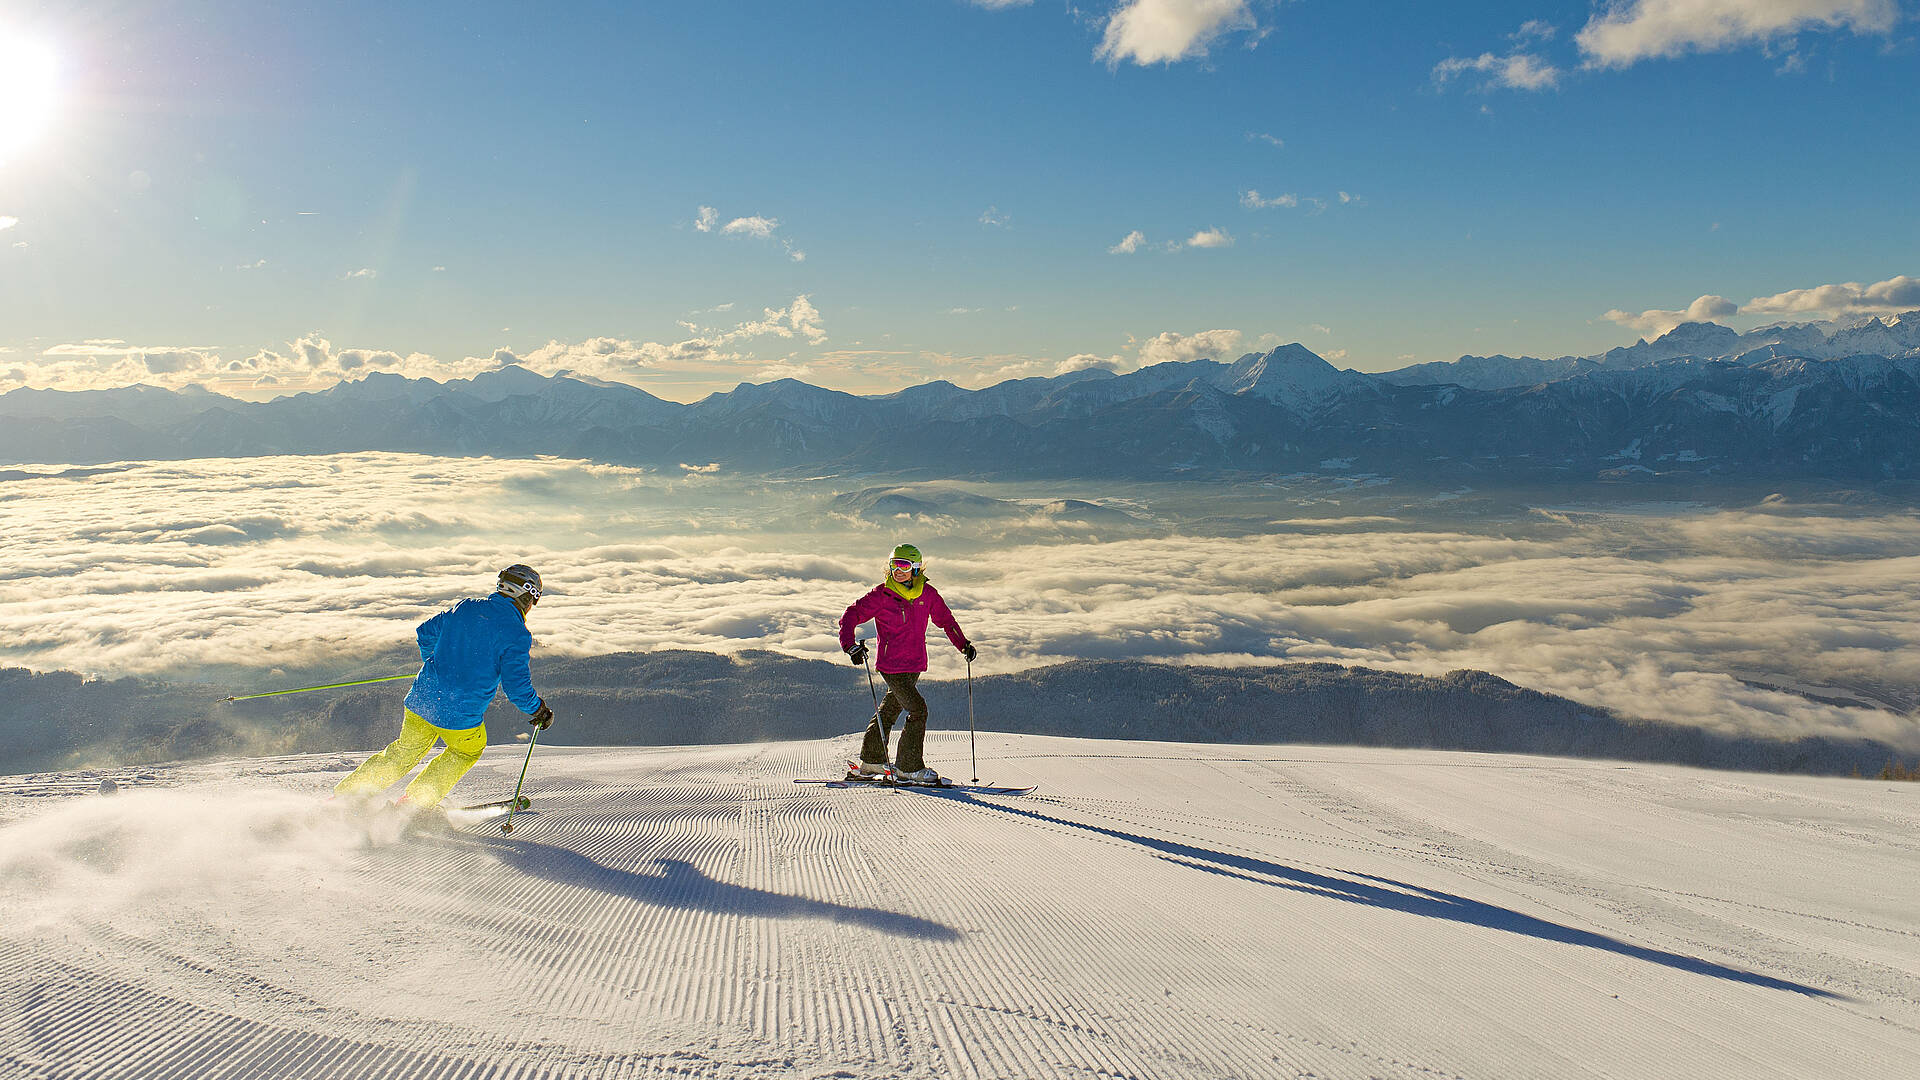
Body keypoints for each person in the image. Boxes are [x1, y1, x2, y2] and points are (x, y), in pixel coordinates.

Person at [334, 564, 554, 808]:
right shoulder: (517, 634)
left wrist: (435, 664)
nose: (531, 607)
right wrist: (538, 710)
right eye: (533, 600)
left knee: (404, 752)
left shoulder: (466, 607)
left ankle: (344, 799)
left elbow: (424, 633)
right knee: (466, 751)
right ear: (525, 595)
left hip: (422, 700)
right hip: (460, 717)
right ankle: (414, 803)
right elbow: (516, 688)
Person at [838, 544, 976, 782]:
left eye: (903, 565)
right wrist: (849, 645)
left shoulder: (927, 594)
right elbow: (850, 615)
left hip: (915, 664)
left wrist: (963, 644)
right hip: (891, 665)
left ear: (916, 568)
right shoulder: (881, 595)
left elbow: (945, 620)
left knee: (890, 710)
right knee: (918, 709)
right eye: (894, 565)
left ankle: (871, 761)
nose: (898, 570)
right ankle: (908, 767)